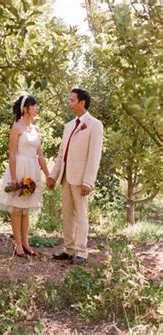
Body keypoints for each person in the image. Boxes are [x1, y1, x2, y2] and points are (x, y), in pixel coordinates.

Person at [47, 88, 104, 265]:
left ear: (82, 103)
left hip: (81, 179)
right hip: (65, 176)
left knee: (81, 215)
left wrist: (88, 181)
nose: (69, 103)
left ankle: (81, 251)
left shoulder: (94, 125)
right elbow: (61, 154)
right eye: (69, 100)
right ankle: (69, 248)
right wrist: (53, 176)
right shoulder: (69, 126)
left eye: (72, 100)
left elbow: (94, 156)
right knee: (67, 215)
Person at [0, 95, 50, 257]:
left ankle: (26, 242)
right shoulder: (17, 128)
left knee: (26, 209)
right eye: (34, 105)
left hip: (32, 169)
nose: (37, 108)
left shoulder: (36, 130)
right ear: (25, 108)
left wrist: (48, 175)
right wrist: (14, 179)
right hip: (19, 168)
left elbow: (40, 155)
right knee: (17, 207)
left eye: (37, 105)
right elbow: (12, 154)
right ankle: (17, 243)